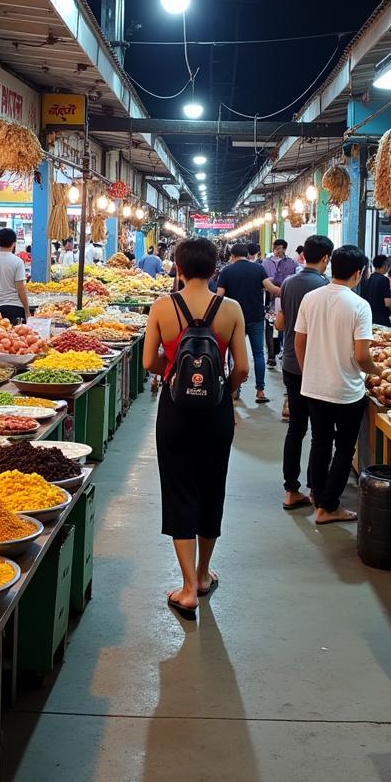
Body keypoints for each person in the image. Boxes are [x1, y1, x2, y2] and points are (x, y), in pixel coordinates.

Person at [142, 237, 248, 620]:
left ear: (179, 268)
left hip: (175, 411)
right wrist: (223, 390)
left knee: (179, 489)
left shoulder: (162, 307)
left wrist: (172, 372)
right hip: (216, 412)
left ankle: (187, 588)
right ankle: (203, 575)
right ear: (215, 268)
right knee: (211, 487)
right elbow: (242, 369)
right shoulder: (231, 309)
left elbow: (147, 362)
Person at [294, 245, 380, 524]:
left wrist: (311, 371)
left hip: (314, 386)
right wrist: (376, 372)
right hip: (347, 390)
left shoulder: (311, 298)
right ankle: (329, 507)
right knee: (344, 447)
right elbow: (362, 355)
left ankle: (318, 497)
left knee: (320, 442)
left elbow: (299, 342)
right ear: (359, 273)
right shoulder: (359, 305)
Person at [275, 234, 332, 509]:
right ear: (325, 258)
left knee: (296, 427)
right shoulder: (324, 287)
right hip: (315, 366)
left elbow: (281, 323)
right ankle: (315, 489)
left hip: (290, 363)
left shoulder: (287, 283)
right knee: (321, 432)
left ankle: (290, 489)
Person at [217, 243, 280, 404]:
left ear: (232, 255)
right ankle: (260, 390)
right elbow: (271, 288)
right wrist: (286, 289)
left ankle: (234, 390)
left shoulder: (226, 271)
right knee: (259, 353)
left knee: (234, 355)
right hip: (256, 317)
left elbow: (219, 296)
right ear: (248, 255)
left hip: (234, 320)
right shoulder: (258, 269)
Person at [261, 239, 298, 369]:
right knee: (270, 328)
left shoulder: (291, 263)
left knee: (283, 328)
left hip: (285, 300)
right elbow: (262, 280)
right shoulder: (265, 262)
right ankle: (271, 356)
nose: (277, 250)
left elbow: (294, 279)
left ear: (285, 249)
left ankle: (281, 350)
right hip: (270, 302)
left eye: (280, 247)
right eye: (275, 247)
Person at [361, 254, 391, 327]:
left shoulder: (368, 280)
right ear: (384, 265)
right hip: (382, 320)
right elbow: (388, 303)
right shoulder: (384, 279)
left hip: (370, 318)